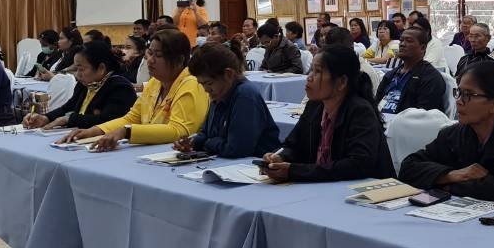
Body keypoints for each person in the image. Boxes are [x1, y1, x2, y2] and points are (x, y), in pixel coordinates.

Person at [401, 60, 494, 208]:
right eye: (459, 92)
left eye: (468, 94)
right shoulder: (453, 134)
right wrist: (453, 175)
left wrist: (446, 186)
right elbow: (409, 167)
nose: (459, 101)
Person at [58, 28, 209, 150]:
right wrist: (94, 131)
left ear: (179, 60)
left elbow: (178, 131)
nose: (150, 61)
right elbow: (131, 118)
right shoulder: (155, 83)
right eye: (150, 53)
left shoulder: (192, 84)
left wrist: (128, 132)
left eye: (158, 55)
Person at [264, 46, 394, 183]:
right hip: (322, 186)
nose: (309, 77)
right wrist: (281, 156)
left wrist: (295, 171)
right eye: (311, 70)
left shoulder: (360, 111)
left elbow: (357, 164)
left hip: (365, 189)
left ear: (341, 82)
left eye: (318, 71)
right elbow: (292, 144)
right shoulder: (314, 106)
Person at [176, 42, 280, 158]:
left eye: (209, 83)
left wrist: (207, 143)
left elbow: (236, 149)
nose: (205, 89)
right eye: (201, 84)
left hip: (253, 164)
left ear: (228, 74)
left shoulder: (245, 95)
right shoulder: (219, 93)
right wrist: (193, 142)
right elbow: (206, 133)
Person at [22, 41, 137, 131]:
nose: (77, 75)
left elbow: (108, 121)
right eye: (76, 69)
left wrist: (69, 119)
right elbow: (67, 108)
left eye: (81, 69)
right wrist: (46, 118)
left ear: (101, 68)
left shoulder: (120, 88)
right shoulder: (85, 84)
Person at [375, 27, 446, 115]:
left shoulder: (431, 78)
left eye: (409, 41)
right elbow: (375, 103)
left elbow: (424, 115)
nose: (402, 44)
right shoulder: (391, 74)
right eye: (401, 40)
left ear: (422, 48)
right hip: (380, 119)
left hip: (407, 121)